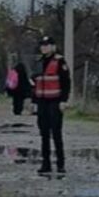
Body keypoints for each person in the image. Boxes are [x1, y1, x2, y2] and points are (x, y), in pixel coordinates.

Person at [32, 36, 71, 174]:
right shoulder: (39, 62)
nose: (44, 47)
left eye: (47, 45)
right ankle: (46, 163)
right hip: (42, 101)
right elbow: (35, 83)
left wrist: (64, 100)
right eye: (42, 45)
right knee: (44, 134)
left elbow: (66, 83)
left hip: (55, 101)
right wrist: (34, 102)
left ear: (53, 47)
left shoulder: (59, 61)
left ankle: (60, 163)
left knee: (56, 133)